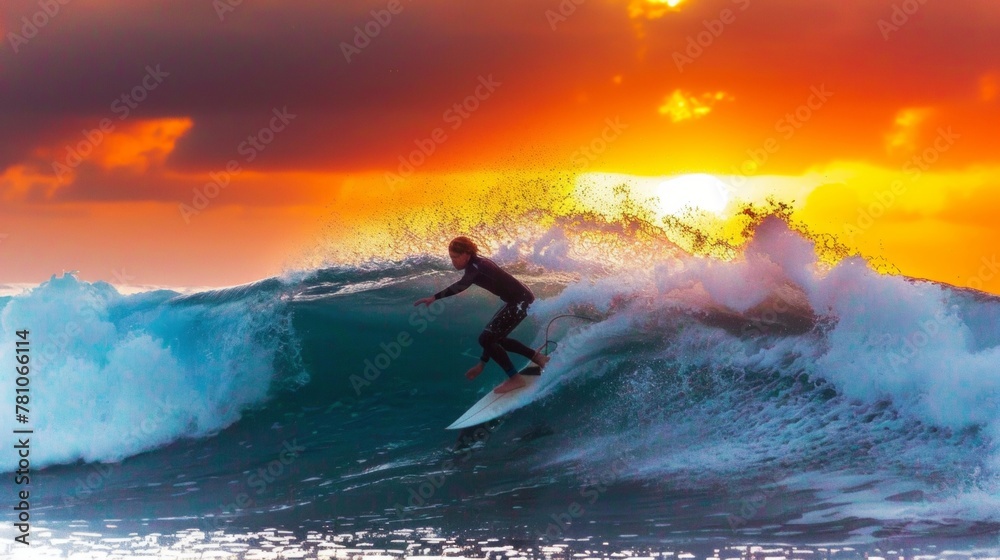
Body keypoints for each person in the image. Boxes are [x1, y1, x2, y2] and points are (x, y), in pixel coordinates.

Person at [414, 236, 549, 393]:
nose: (454, 262)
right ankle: (537, 358)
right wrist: (482, 364)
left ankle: (515, 379)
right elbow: (491, 342)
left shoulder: (476, 267)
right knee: (493, 338)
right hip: (519, 299)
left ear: (467, 253)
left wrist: (434, 297)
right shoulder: (478, 263)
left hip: (520, 301)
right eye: (451, 257)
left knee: (487, 337)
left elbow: (462, 285)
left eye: (456, 257)